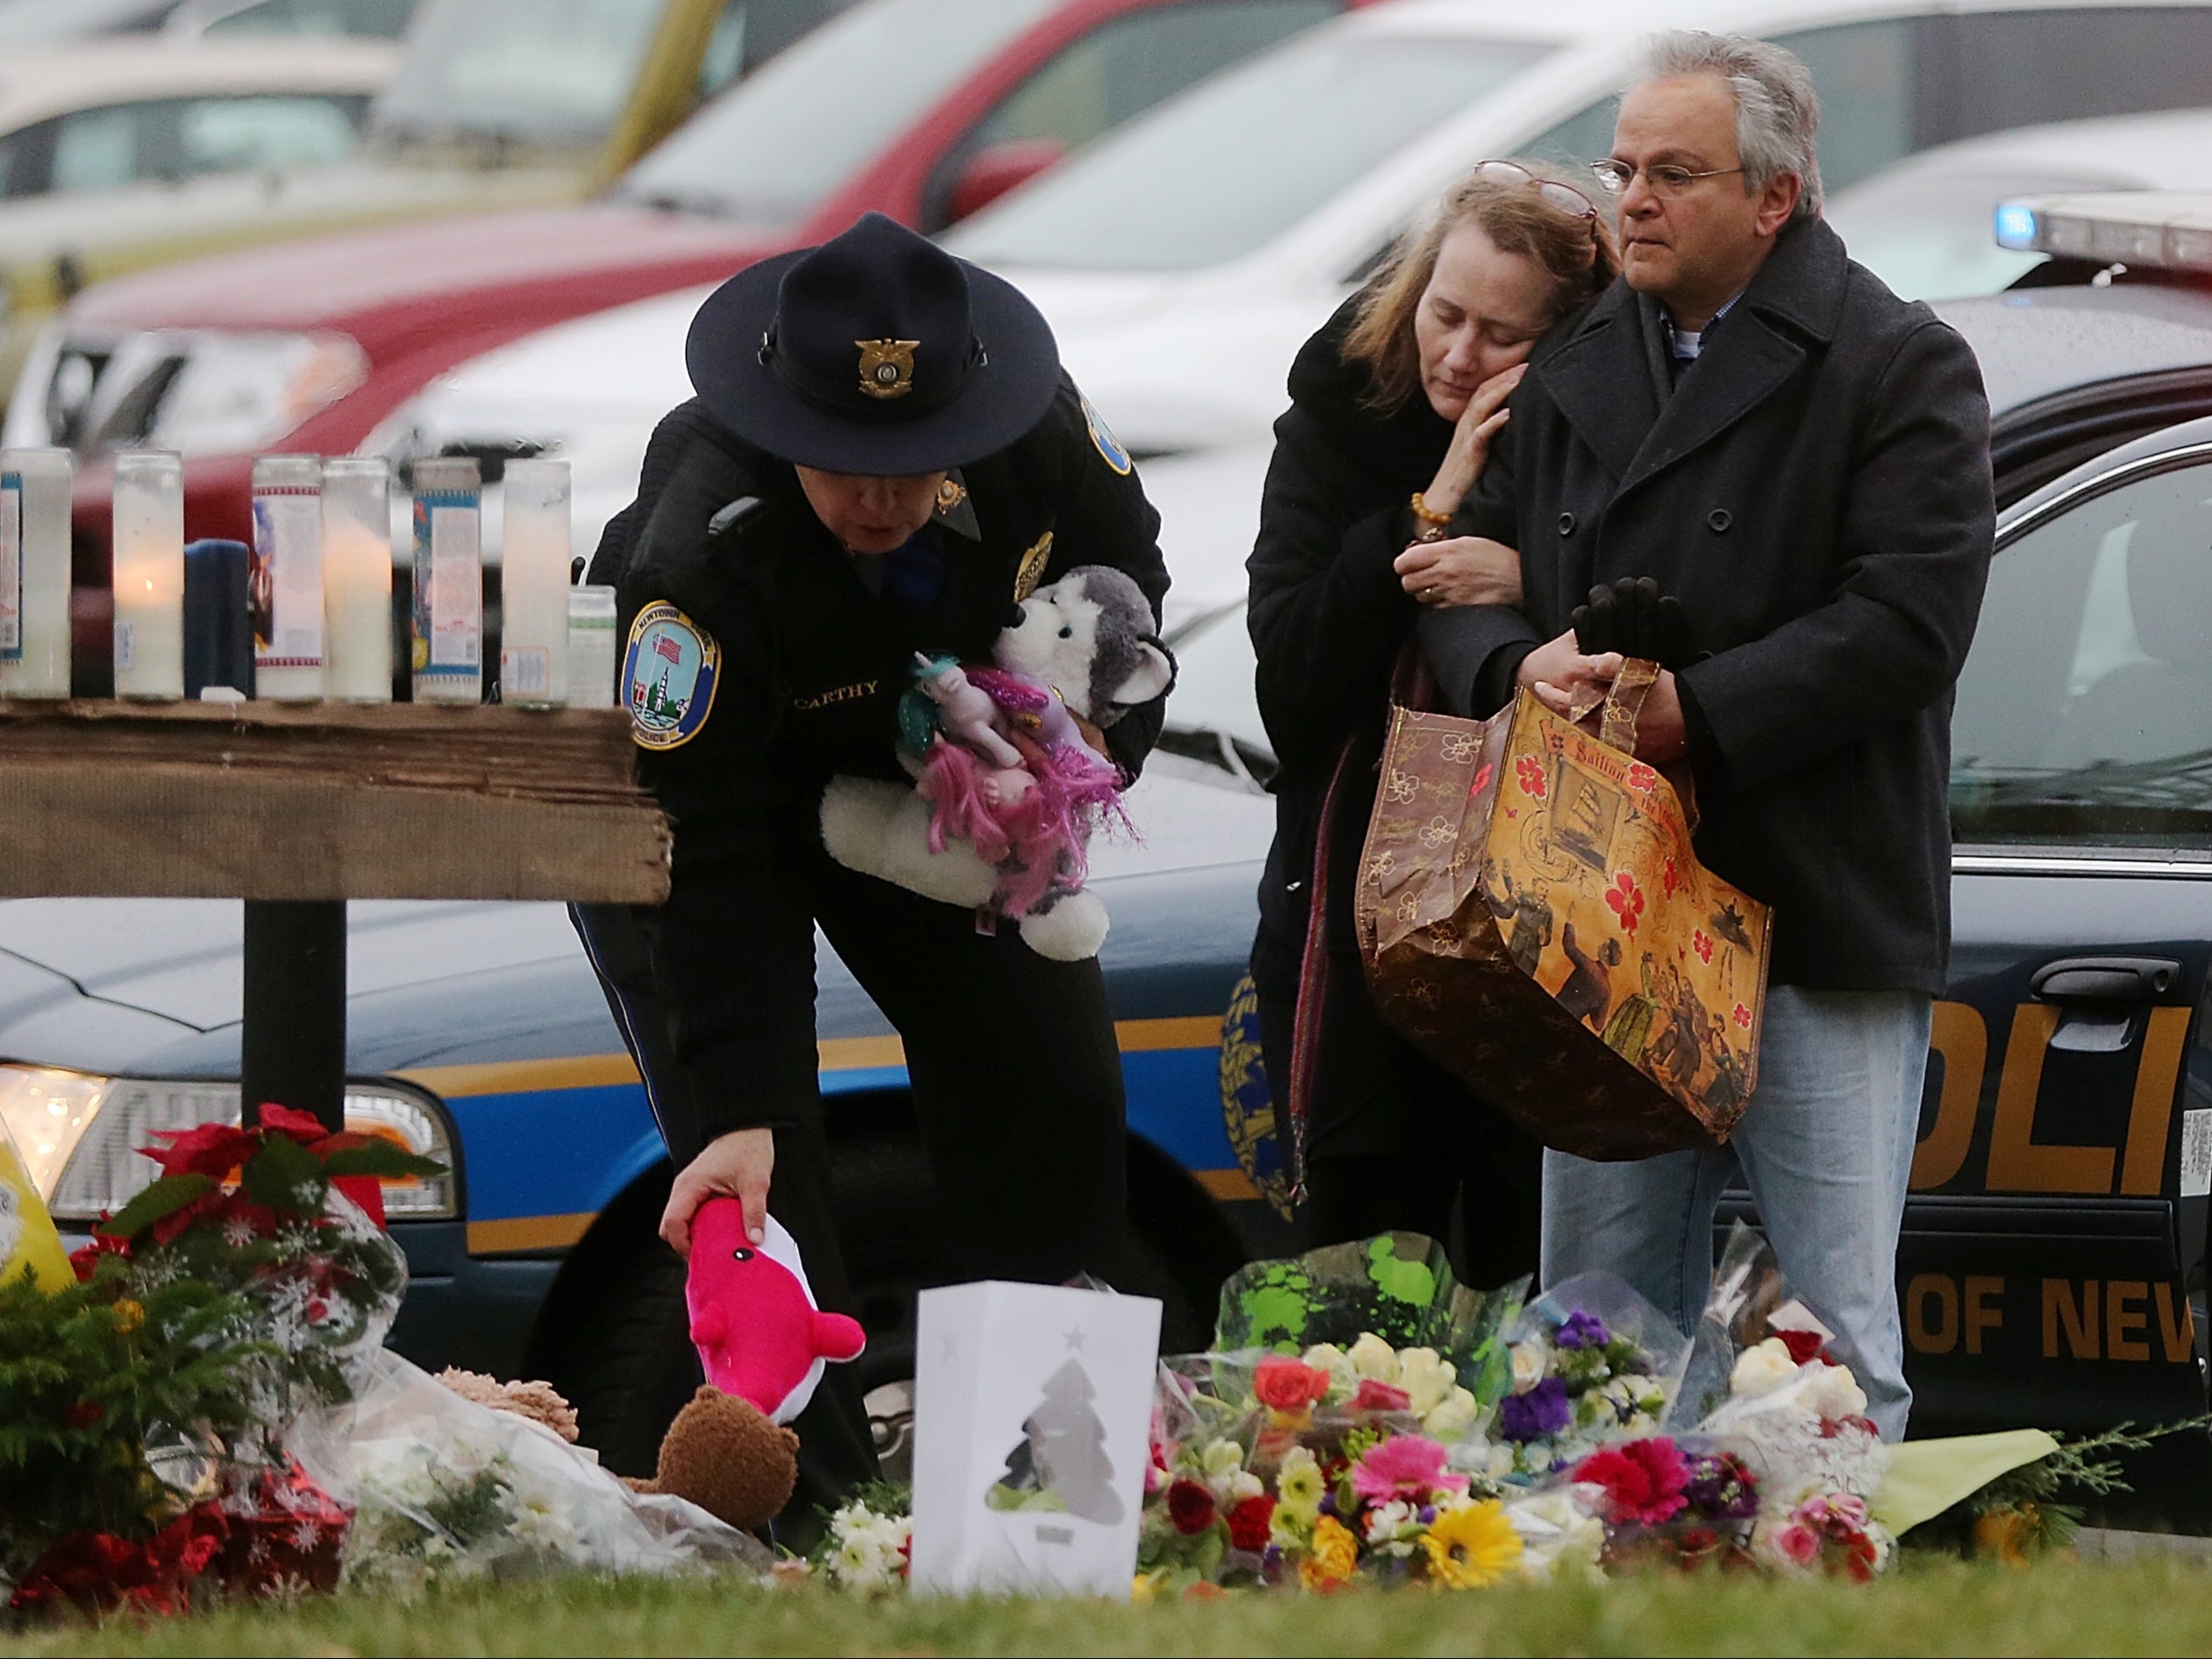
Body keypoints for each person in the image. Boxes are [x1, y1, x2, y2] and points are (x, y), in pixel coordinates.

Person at [1418, 32, 1995, 1437]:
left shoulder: (1897, 361)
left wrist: (1693, 711)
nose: (1632, 201)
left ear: (1774, 197)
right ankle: (1602, 1595)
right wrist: (1522, 665)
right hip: (1594, 902)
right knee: (1595, 1319)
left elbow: (1907, 624)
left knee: (1830, 1323)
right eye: (1622, 169)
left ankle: (1825, 1593)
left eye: (1672, 173)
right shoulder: (1576, 360)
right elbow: (1464, 580)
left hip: (1807, 897)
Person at [575, 212, 1171, 1529]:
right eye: (845, 465)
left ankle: (1042, 1526)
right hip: (722, 811)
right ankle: (822, 1543)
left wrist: (1068, 735)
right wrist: (736, 1102)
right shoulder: (700, 552)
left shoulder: (1034, 431)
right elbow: (710, 851)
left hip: (935, 781)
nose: (879, 498)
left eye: (913, 466)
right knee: (759, 1185)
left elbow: (1125, 572)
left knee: (1054, 1096)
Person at [1245, 161, 1619, 1288]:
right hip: (1361, 918)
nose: (1455, 356)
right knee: (1360, 1289)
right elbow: (1293, 686)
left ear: (1556, 347)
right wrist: (1425, 511)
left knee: (1531, 1283)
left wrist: (1521, 570)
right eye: (1442, 314)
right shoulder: (1334, 416)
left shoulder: (1594, 441)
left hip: (1543, 919)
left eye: (1497, 337)